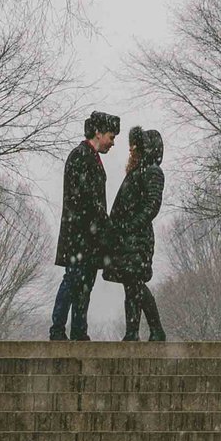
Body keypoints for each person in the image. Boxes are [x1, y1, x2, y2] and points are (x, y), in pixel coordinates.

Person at [50, 111, 120, 340]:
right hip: (80, 235)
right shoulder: (81, 156)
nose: (112, 142)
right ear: (98, 133)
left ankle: (78, 331)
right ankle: (59, 330)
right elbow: (86, 201)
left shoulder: (87, 156)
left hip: (85, 235)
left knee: (83, 284)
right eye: (111, 136)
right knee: (74, 281)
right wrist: (103, 225)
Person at [102, 126, 166, 343]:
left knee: (135, 283)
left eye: (136, 146)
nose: (132, 150)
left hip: (137, 238)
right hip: (128, 238)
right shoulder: (140, 171)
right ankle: (135, 332)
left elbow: (152, 206)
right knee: (132, 285)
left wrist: (130, 226)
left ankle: (152, 330)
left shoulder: (152, 171)